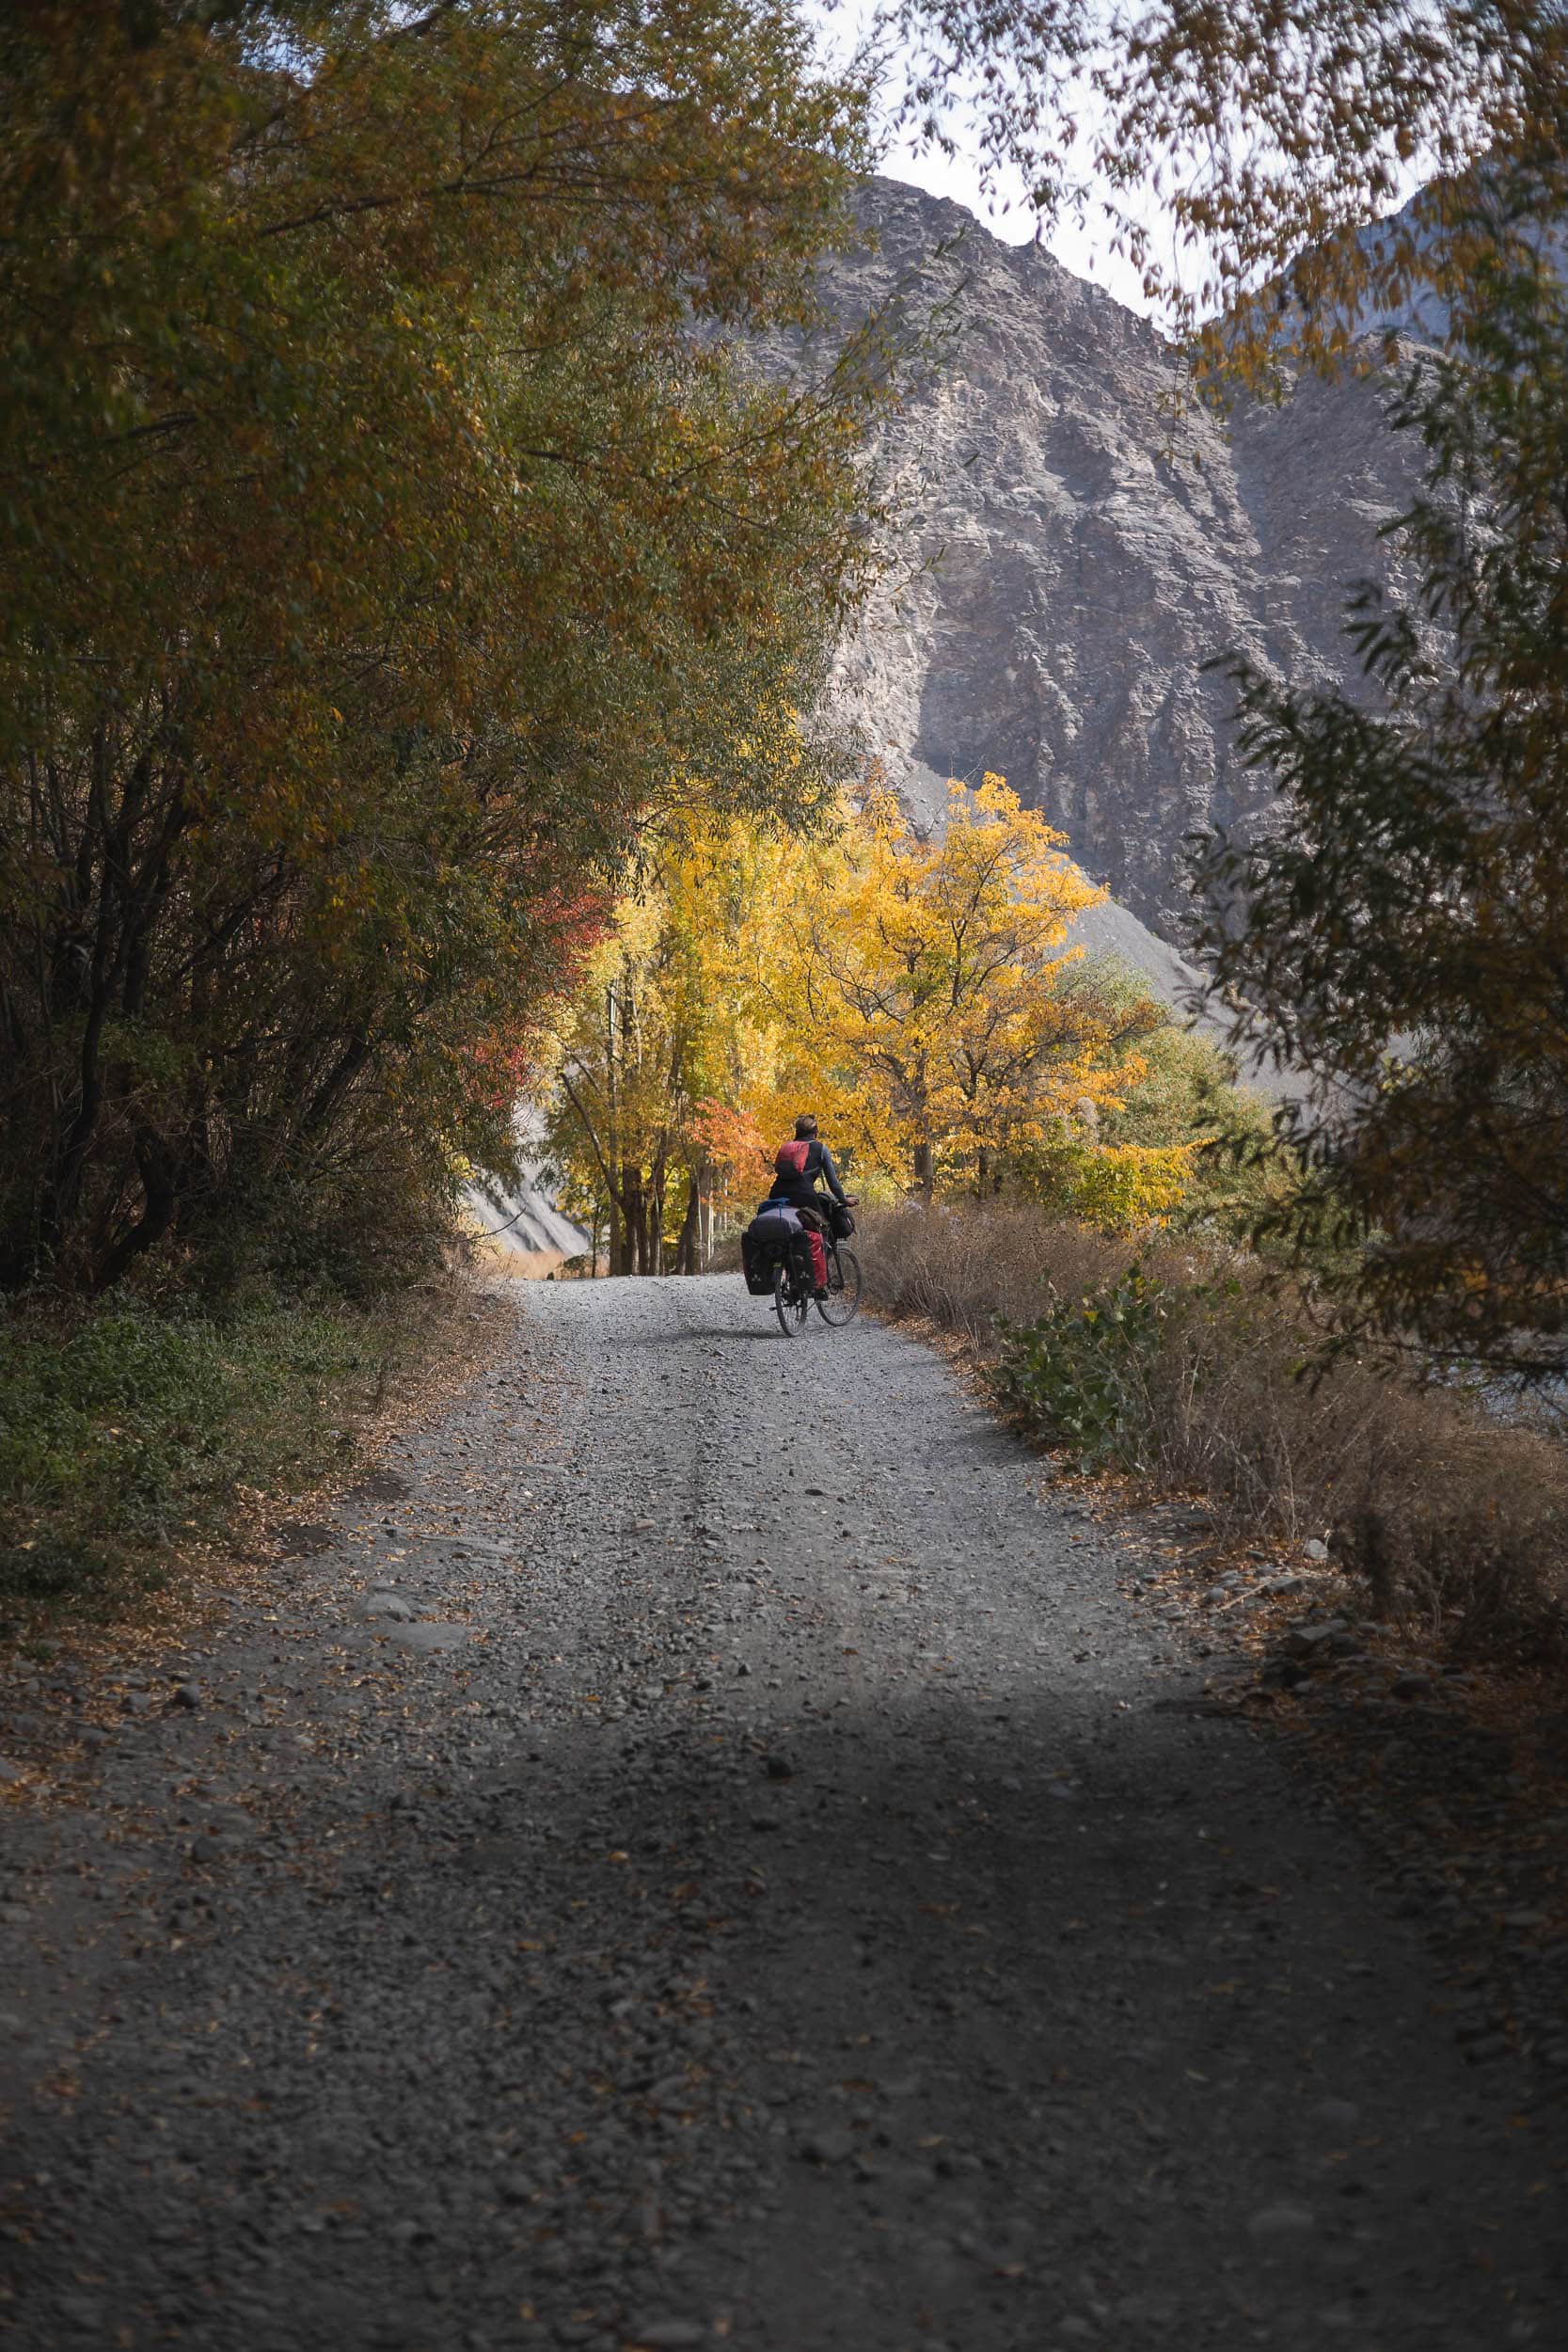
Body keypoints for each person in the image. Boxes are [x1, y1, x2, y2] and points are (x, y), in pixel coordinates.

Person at [763, 1114, 856, 1296]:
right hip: (804, 1195)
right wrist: (844, 1200)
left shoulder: (787, 1148)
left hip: (776, 1194)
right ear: (816, 1132)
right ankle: (816, 1281)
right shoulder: (820, 1149)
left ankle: (792, 1276)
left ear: (797, 1132)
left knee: (789, 1234)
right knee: (823, 1231)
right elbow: (833, 1182)